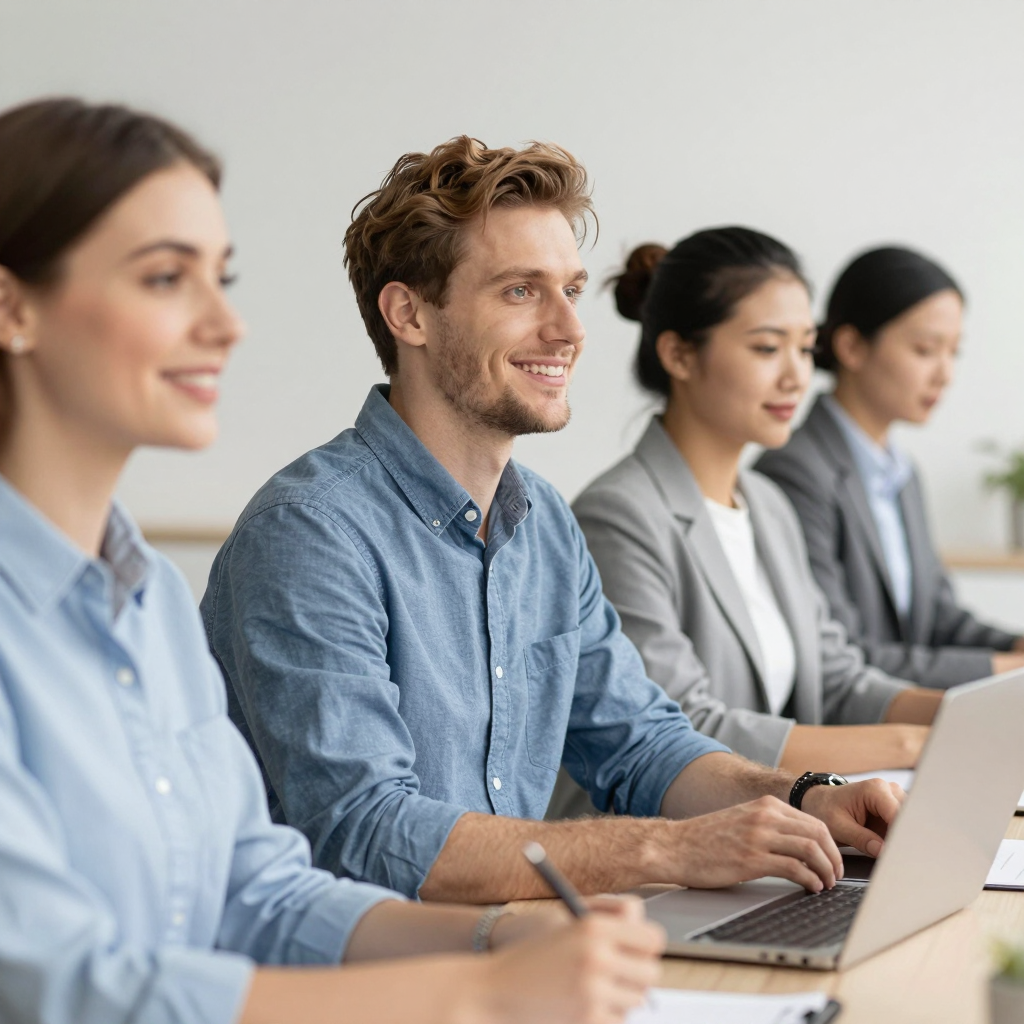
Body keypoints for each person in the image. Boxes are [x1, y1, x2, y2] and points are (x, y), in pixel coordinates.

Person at [0, 98, 667, 1024]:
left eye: (220, 278)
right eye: (163, 279)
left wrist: (494, 938)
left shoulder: (142, 594)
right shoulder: (303, 528)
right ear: (13, 307)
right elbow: (62, 988)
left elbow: (258, 893)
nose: (226, 325)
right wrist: (477, 990)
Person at [203, 137, 904, 909]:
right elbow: (368, 831)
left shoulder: (543, 526)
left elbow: (640, 743)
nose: (570, 329)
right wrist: (669, 847)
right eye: (520, 292)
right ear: (409, 314)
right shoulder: (309, 533)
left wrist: (804, 796)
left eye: (570, 289)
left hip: (522, 955)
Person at [547, 231, 943, 821]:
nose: (796, 377)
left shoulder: (767, 503)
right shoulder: (619, 515)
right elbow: (686, 725)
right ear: (679, 354)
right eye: (766, 348)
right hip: (648, 859)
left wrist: (958, 715)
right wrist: (913, 743)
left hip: (764, 842)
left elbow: (835, 679)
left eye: (805, 349)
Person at [756, 246, 1024, 688]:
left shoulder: (902, 474)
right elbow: (842, 655)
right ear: (851, 346)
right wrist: (1010, 672)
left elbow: (939, 619)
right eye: (925, 349)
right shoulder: (794, 471)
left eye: (953, 352)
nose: (945, 374)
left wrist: (1015, 647)